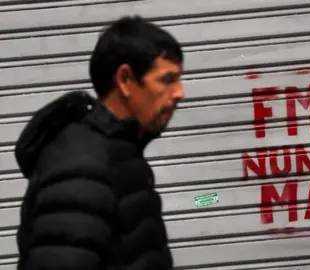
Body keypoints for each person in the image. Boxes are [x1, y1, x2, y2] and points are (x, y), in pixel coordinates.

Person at [14, 15, 184, 270]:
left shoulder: (119, 154)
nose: (180, 93)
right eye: (167, 80)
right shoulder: (80, 167)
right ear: (125, 80)